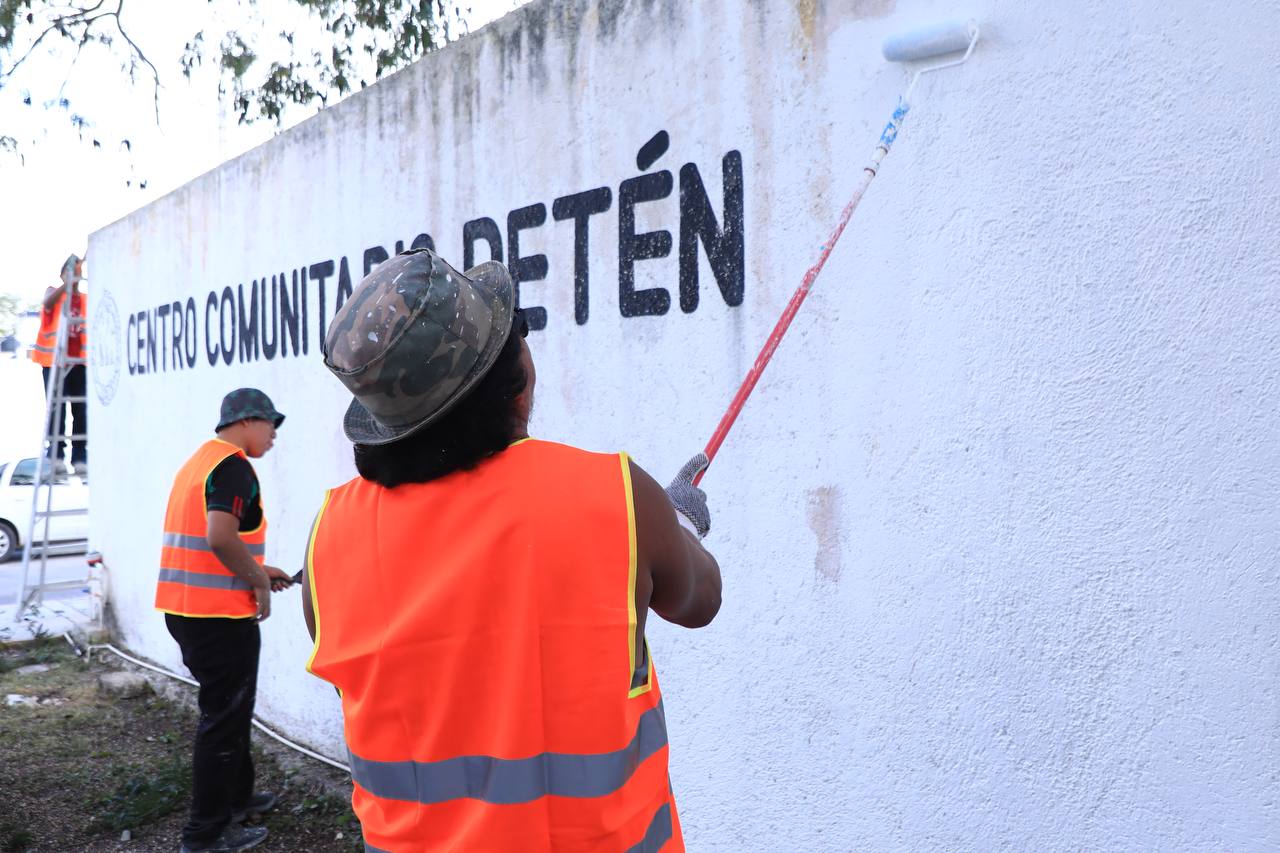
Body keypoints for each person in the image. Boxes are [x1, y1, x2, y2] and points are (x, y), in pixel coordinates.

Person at [302, 248, 722, 852]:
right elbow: (699, 598)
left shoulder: (327, 537)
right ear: (514, 379)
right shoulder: (616, 496)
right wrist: (678, 520)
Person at [156, 388, 295, 853]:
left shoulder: (200, 461)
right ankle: (204, 834)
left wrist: (260, 567)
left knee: (230, 712)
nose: (274, 435)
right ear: (248, 421)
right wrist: (257, 581)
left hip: (187, 609)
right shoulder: (233, 466)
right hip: (217, 619)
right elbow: (219, 536)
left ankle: (237, 798)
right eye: (271, 424)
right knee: (224, 718)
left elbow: (213, 540)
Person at [30, 254, 88, 476]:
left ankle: (80, 456)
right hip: (54, 363)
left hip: (78, 362)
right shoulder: (54, 293)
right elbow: (47, 303)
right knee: (57, 409)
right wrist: (67, 283)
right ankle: (56, 456)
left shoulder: (84, 299)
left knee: (80, 410)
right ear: (63, 274)